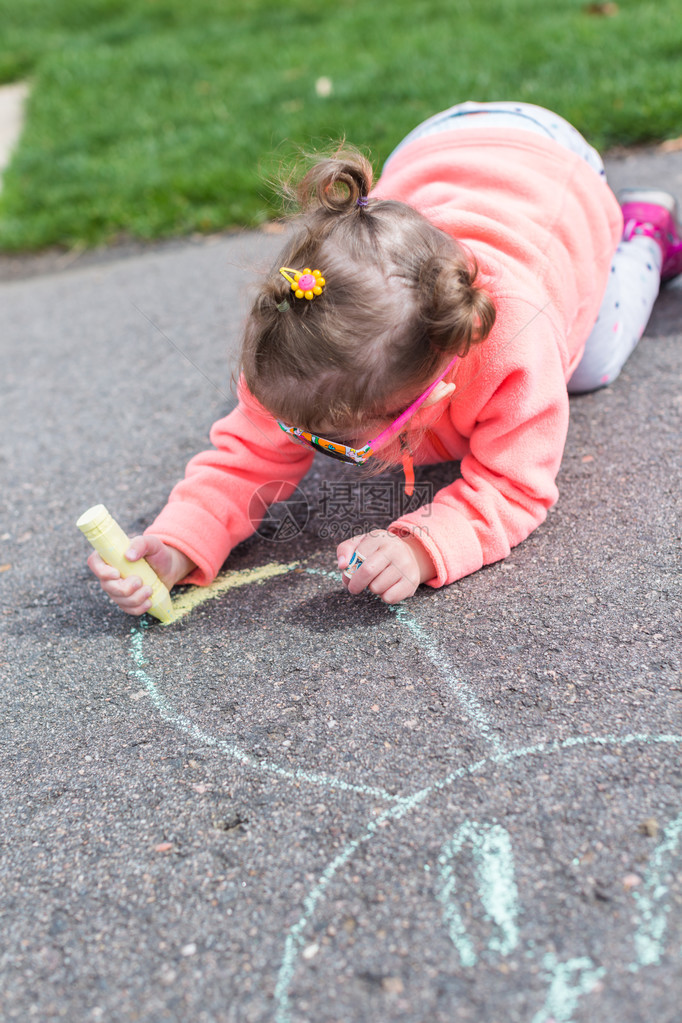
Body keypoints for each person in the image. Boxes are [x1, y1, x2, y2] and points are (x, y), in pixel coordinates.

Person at [87, 100, 682, 612]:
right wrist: (176, 545)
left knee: (593, 360)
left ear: (431, 388)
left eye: (335, 439)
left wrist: (423, 546)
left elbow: (514, 486)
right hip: (436, 145)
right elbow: (246, 454)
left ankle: (644, 234)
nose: (310, 445)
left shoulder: (515, 348)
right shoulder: (299, 342)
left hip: (561, 178)